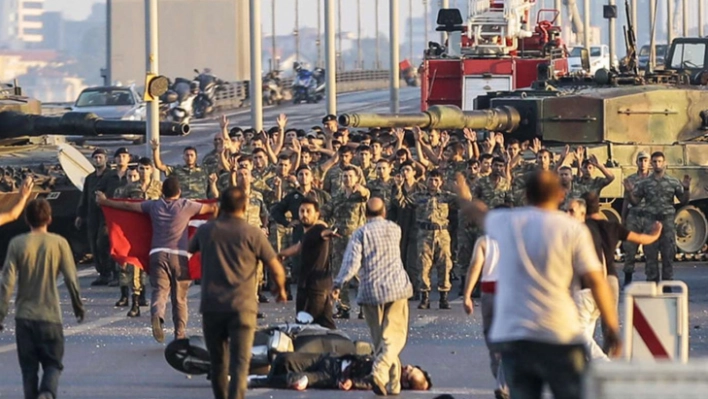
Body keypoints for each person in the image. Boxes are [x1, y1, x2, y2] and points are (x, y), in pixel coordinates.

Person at [455, 171, 621, 399]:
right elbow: (596, 280)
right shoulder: (572, 230)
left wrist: (463, 194)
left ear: (526, 195)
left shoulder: (508, 222)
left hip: (517, 337)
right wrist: (612, 327)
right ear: (561, 195)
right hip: (560, 332)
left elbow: (477, 212)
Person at [188, 186, 288, 399]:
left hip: (212, 306)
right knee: (240, 364)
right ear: (244, 207)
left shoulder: (206, 231)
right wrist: (280, 290)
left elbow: (188, 250)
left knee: (218, 364)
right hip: (243, 307)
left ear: (220, 206)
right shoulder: (252, 233)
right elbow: (276, 268)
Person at [96, 177, 217, 343]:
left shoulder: (154, 205)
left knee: (160, 291)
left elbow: (127, 205)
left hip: (157, 254)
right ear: (179, 192)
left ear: (162, 192)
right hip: (180, 256)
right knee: (179, 299)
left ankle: (157, 315)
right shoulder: (186, 205)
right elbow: (212, 207)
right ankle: (179, 334)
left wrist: (105, 201)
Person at [0, 198, 85, 399]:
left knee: (28, 370)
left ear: (27, 219)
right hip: (50, 316)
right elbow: (72, 279)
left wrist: (1, 314)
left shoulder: (16, 243)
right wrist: (78, 306)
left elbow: (7, 283)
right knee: (53, 364)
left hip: (24, 317)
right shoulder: (60, 243)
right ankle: (47, 392)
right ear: (49, 218)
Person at [333, 197, 414, 396]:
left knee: (381, 341)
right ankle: (380, 373)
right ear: (384, 212)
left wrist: (338, 283)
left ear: (364, 213)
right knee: (394, 338)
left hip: (370, 291)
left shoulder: (360, 233)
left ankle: (393, 384)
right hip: (396, 288)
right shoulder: (395, 229)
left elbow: (351, 263)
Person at [624, 151, 690, 285]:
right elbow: (635, 202)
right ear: (651, 164)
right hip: (651, 222)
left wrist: (687, 189)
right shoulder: (645, 183)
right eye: (654, 161)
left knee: (668, 255)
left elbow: (683, 201)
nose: (657, 164)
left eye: (660, 161)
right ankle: (652, 284)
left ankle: (667, 285)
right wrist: (630, 192)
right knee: (651, 256)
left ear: (664, 163)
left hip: (667, 222)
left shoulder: (672, 182)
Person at [461, 231, 508, 399]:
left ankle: (502, 383)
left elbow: (475, 265)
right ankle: (504, 383)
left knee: (493, 341)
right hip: (511, 292)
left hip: (489, 293)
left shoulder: (484, 241)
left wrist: (467, 295)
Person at [279, 198, 337, 329]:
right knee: (326, 326)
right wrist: (279, 255)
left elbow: (325, 233)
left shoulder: (318, 229)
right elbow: (298, 248)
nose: (304, 214)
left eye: (308, 211)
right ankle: (340, 348)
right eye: (301, 211)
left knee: (303, 326)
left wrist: (329, 233)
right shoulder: (308, 233)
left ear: (317, 214)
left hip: (315, 289)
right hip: (314, 287)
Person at [249, 352, 431, 392]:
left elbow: (371, 382)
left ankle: (253, 381)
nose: (406, 368)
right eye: (412, 367)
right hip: (331, 360)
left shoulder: (386, 380)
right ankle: (267, 377)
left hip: (332, 376)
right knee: (285, 358)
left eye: (408, 373)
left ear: (405, 382)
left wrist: (353, 382)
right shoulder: (390, 360)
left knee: (295, 380)